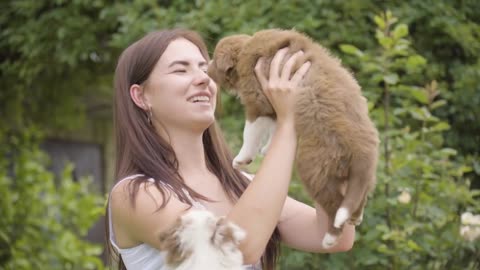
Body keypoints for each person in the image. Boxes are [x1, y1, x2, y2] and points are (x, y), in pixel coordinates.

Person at [106, 29, 355, 270]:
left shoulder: (240, 185)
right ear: (141, 97)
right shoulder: (136, 195)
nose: (205, 78)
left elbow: (333, 234)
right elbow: (235, 251)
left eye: (204, 68)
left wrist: (328, 122)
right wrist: (286, 123)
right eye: (180, 70)